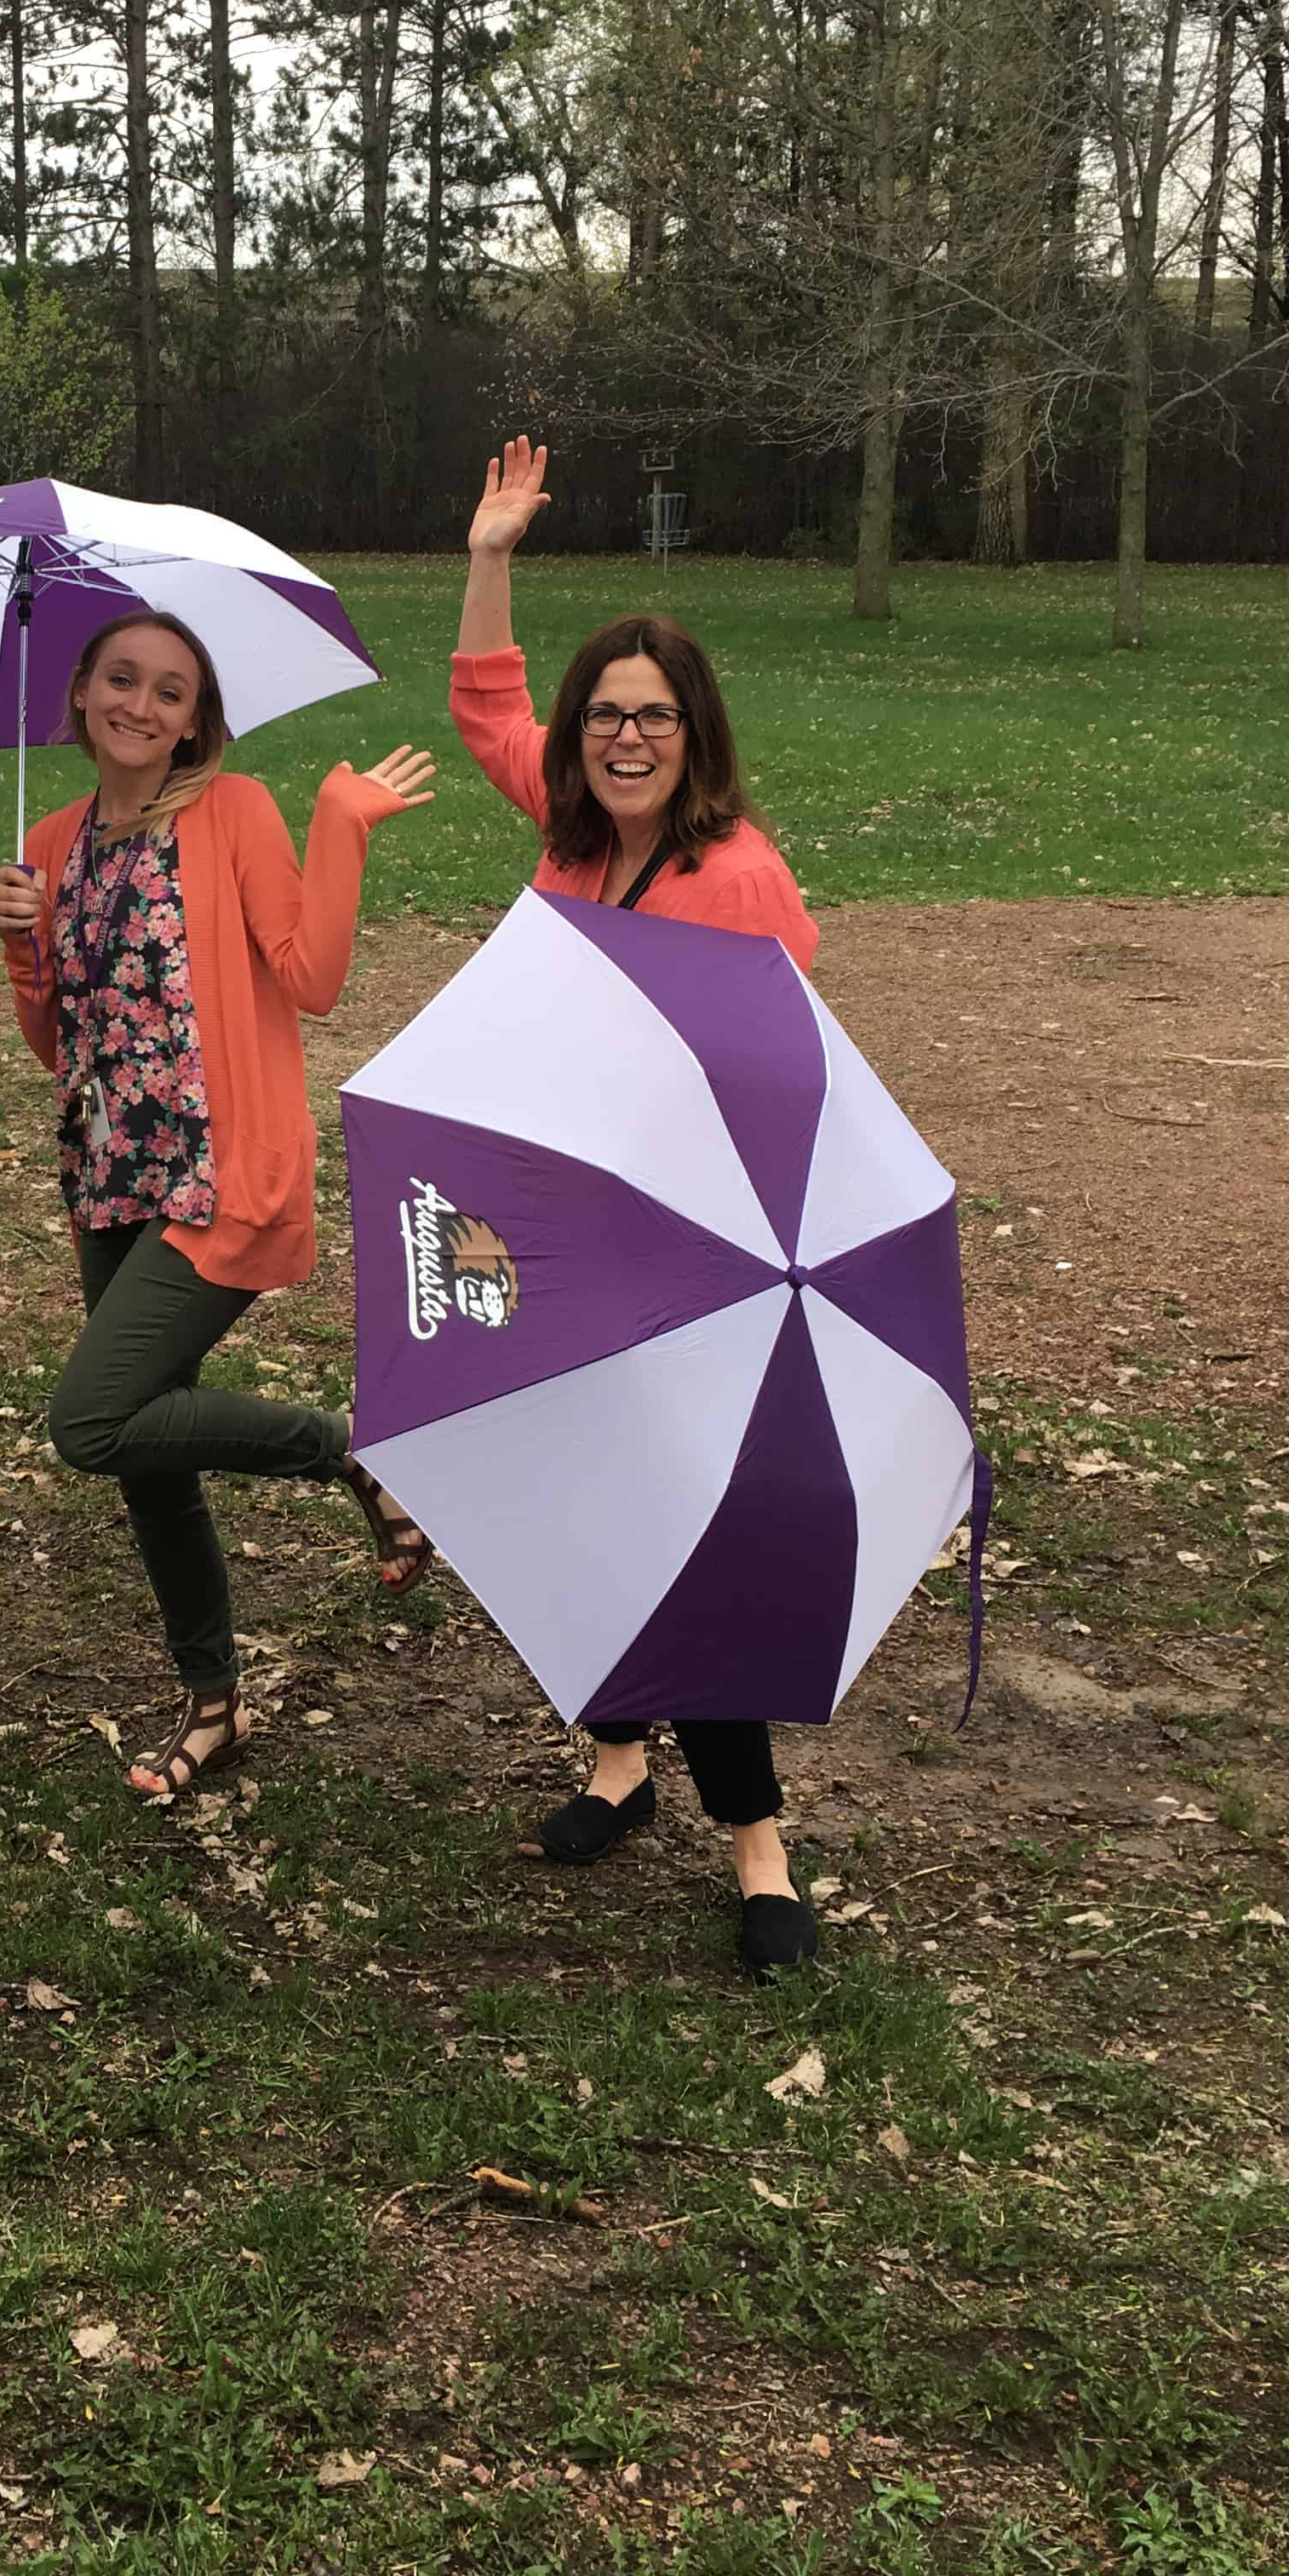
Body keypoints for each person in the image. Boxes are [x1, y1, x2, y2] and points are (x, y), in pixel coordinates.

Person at [453, 437, 824, 1978]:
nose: (623, 740)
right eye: (603, 717)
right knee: (578, 1506)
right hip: (565, 1231)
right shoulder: (566, 843)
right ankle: (616, 1757)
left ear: (694, 735)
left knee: (689, 1529)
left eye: (651, 720)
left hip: (689, 1248)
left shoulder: (734, 872)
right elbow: (486, 702)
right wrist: (490, 553)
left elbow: (798, 1067)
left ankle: (758, 1844)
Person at [0, 611, 437, 1800]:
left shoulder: (231, 814)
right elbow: (55, 1044)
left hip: (216, 1176)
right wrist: (23, 948)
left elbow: (312, 977)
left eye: (171, 691)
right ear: (81, 693)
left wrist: (341, 828)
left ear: (196, 718)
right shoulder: (50, 840)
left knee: (90, 1420)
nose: (143, 704)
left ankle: (353, 1450)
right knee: (145, 1448)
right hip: (110, 1177)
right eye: (122, 679)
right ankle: (214, 1701)